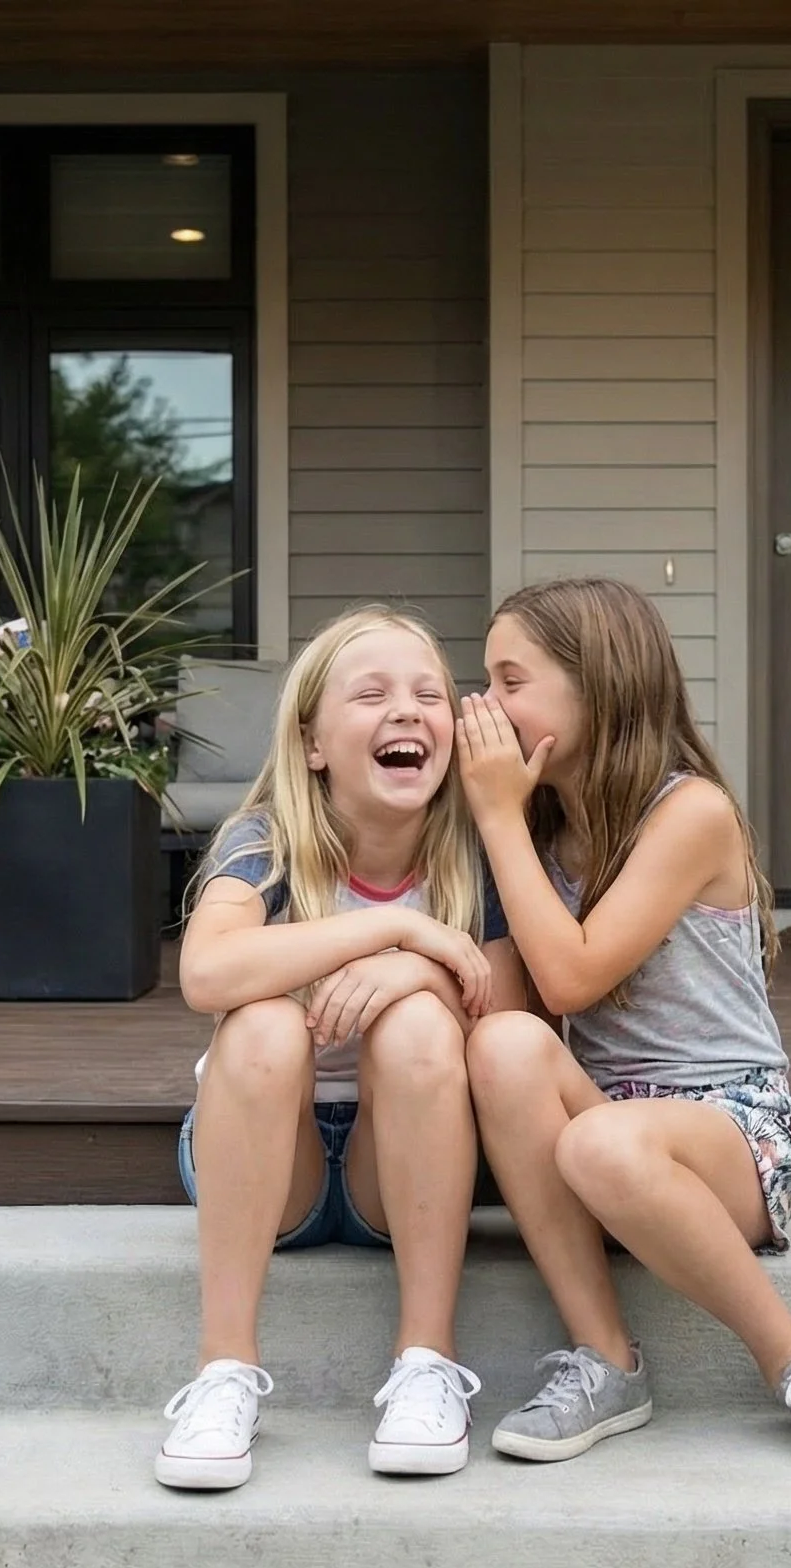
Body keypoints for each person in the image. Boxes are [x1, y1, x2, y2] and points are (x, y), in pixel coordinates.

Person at [456, 576, 791, 1472]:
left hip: (732, 1132)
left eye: (510, 681)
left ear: (600, 683)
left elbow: (572, 977)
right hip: (606, 1132)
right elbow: (514, 1004)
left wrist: (497, 817)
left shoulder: (689, 811)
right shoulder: (534, 835)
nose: (484, 707)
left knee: (601, 1146)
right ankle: (608, 1363)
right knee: (503, 1047)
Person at [161, 605, 530, 1491]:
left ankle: (427, 1363)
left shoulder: (473, 854)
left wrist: (415, 974)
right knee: (261, 1021)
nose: (406, 710)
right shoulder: (266, 841)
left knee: (416, 1022)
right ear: (315, 743)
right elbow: (207, 973)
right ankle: (222, 1372)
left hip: (392, 1163)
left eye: (428, 694)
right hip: (266, 1159)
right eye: (372, 694)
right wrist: (398, 931)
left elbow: (515, 998)